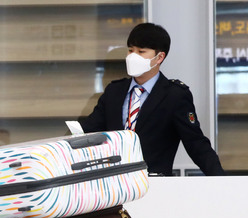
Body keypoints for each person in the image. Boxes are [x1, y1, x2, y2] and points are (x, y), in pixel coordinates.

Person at [79, 22, 225, 176]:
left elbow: (196, 144)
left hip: (154, 186)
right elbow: (88, 131)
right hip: (113, 186)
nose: (133, 57)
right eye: (130, 50)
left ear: (159, 57)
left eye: (141, 51)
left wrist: (223, 183)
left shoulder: (174, 95)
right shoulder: (114, 91)